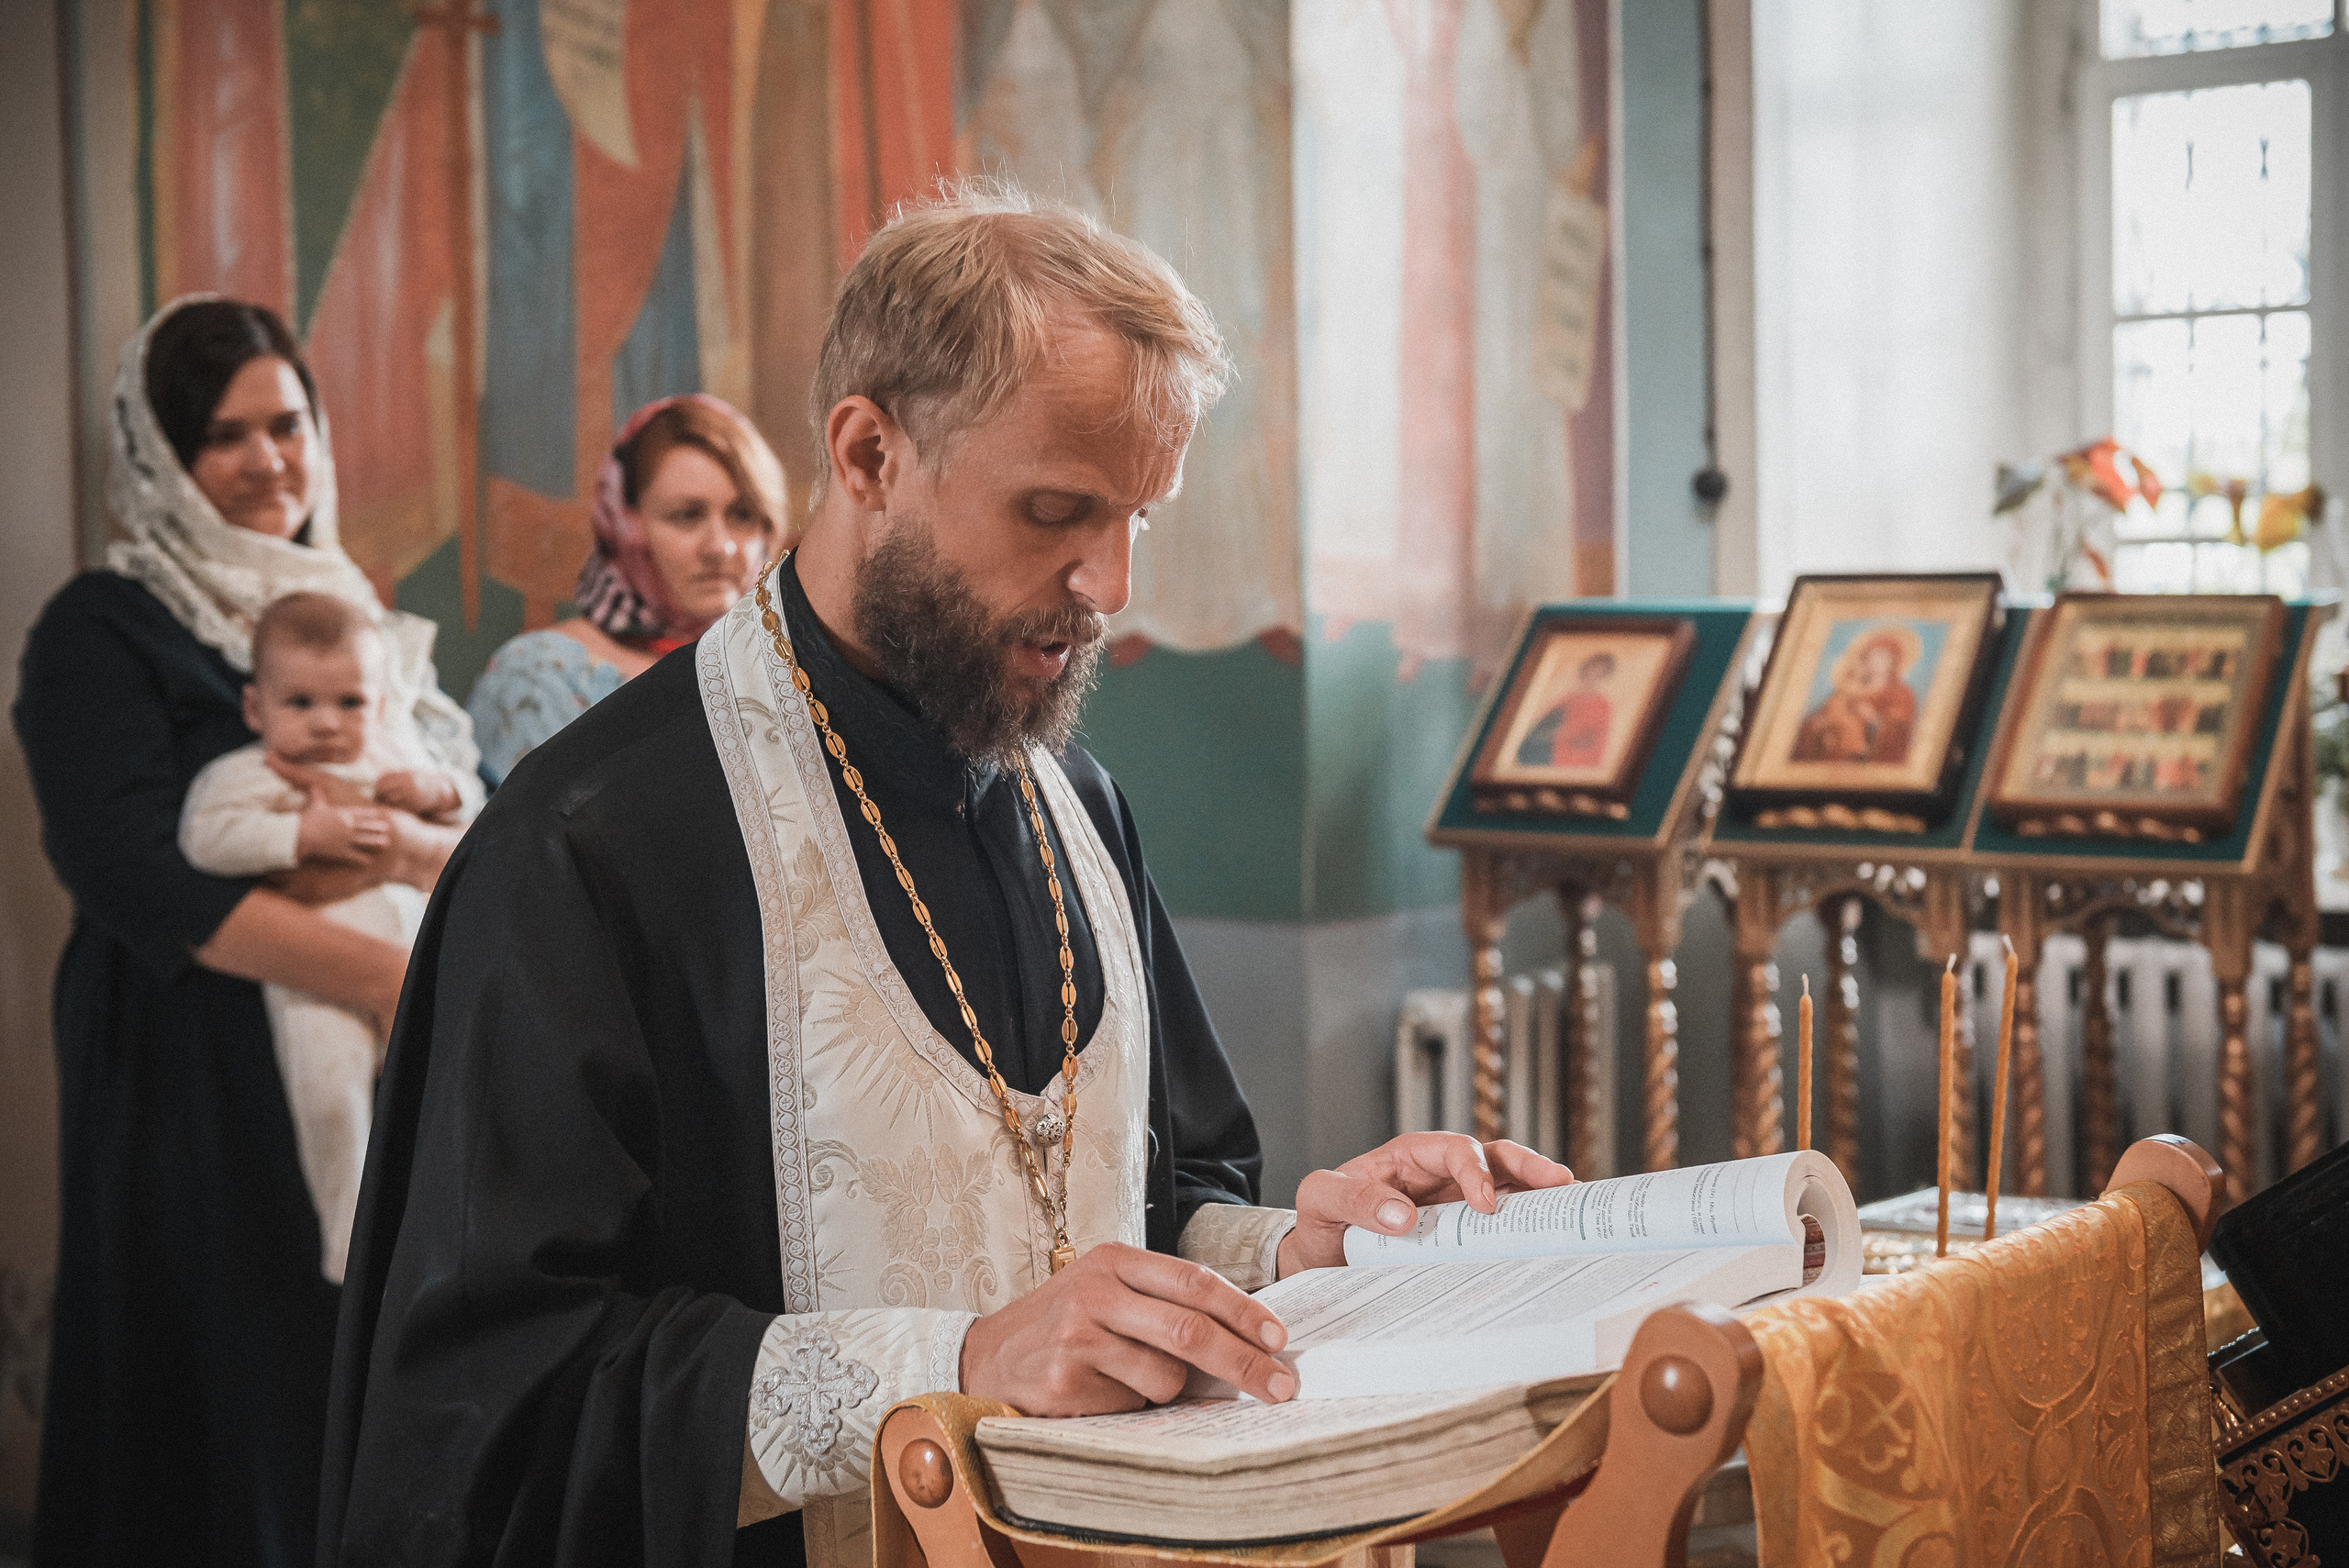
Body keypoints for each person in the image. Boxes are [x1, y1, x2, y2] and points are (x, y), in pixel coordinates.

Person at [318, 180, 1571, 1568]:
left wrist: (1303, 1256)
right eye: (1055, 512)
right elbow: (499, 1411)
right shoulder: (586, 852)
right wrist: (960, 1360)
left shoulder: (1078, 809)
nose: (1108, 585)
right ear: (867, 452)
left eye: (1137, 519)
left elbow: (1140, 1213)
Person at [14, 295, 482, 1567]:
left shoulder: (357, 616)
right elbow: (134, 874)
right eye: (224, 436)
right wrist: (390, 978)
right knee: (217, 1408)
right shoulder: (101, 630)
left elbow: (458, 822)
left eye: (287, 424)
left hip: (375, 1050)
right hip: (192, 1070)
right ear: (165, 457)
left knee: (352, 1388)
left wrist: (415, 953)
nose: (267, 459)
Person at [178, 591, 477, 1284]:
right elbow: (204, 837)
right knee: (328, 1093)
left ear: (379, 705)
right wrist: (298, 833)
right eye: (301, 703)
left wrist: (436, 789)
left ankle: (443, 1233)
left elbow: (470, 798)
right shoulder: (248, 773)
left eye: (349, 703)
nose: (326, 725)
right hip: (320, 973)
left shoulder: (397, 756)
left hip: (419, 965)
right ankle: (348, 1246)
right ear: (257, 709)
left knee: (444, 1102)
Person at [467, 394, 786, 785]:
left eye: (742, 515)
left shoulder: (788, 671)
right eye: (686, 516)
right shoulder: (540, 676)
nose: (720, 547)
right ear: (626, 525)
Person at [1791, 627, 1919, 765]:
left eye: (1882, 657)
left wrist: (1874, 720)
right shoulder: (1852, 687)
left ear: (1893, 662)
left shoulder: (1902, 694)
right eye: (1872, 656)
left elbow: (1903, 733)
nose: (1875, 661)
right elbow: (1823, 713)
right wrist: (1821, 724)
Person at [1516, 651, 1615, 769]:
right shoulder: (1569, 698)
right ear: (1586, 669)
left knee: (1532, 754)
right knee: (1526, 749)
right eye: (1592, 670)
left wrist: (1567, 734)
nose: (1593, 675)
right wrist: (1553, 733)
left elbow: (1595, 739)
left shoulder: (1603, 704)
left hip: (1577, 755)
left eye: (1599, 672)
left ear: (1604, 675)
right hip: (1555, 745)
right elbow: (1545, 723)